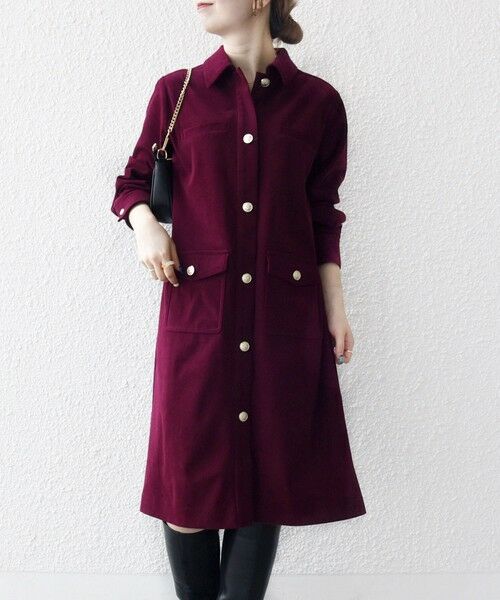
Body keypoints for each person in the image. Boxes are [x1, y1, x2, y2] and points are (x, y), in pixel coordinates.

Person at [111, 1, 366, 598]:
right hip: (199, 320)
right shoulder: (177, 93)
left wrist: (335, 306)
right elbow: (131, 182)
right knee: (188, 484)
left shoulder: (319, 103)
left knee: (265, 479)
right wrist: (146, 226)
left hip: (284, 319)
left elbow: (322, 213)